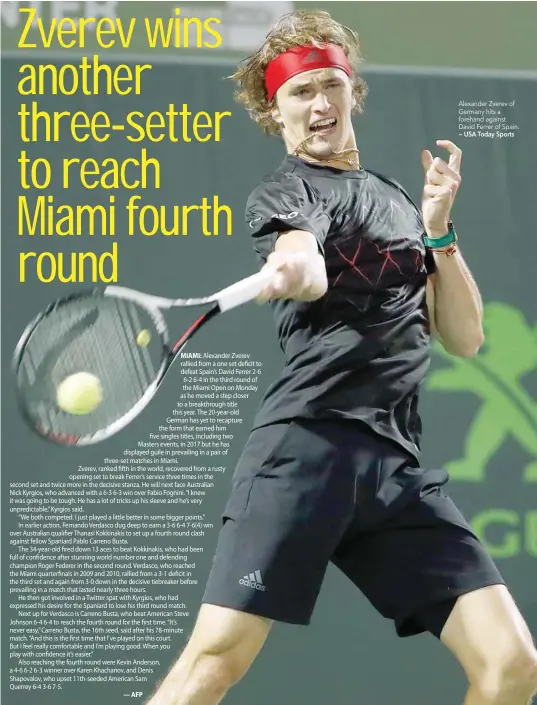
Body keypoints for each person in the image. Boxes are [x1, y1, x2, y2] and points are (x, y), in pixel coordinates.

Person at [147, 10, 537, 705]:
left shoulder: (392, 197)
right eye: (300, 92)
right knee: (213, 664)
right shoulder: (285, 191)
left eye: (330, 85)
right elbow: (302, 257)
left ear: (352, 91)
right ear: (274, 110)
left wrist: (438, 231)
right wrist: (297, 266)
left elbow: (464, 336)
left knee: (511, 665)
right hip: (305, 450)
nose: (320, 104)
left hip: (393, 465)